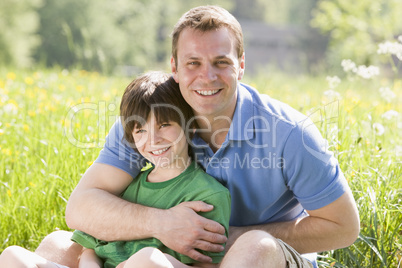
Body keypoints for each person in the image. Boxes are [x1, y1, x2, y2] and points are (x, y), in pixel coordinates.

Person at [34, 5, 359, 268]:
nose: (207, 76)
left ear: (241, 65)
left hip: (265, 258)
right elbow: (81, 207)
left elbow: (343, 227)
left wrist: (221, 236)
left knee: (252, 247)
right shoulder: (150, 118)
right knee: (58, 246)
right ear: (174, 67)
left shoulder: (289, 133)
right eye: (193, 63)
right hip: (167, 251)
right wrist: (163, 225)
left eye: (221, 62)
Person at [0, 71, 231, 268]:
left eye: (164, 125)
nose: (153, 140)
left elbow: (208, 264)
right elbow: (90, 244)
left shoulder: (209, 195)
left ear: (189, 128)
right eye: (140, 130)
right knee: (12, 256)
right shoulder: (127, 188)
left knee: (148, 261)